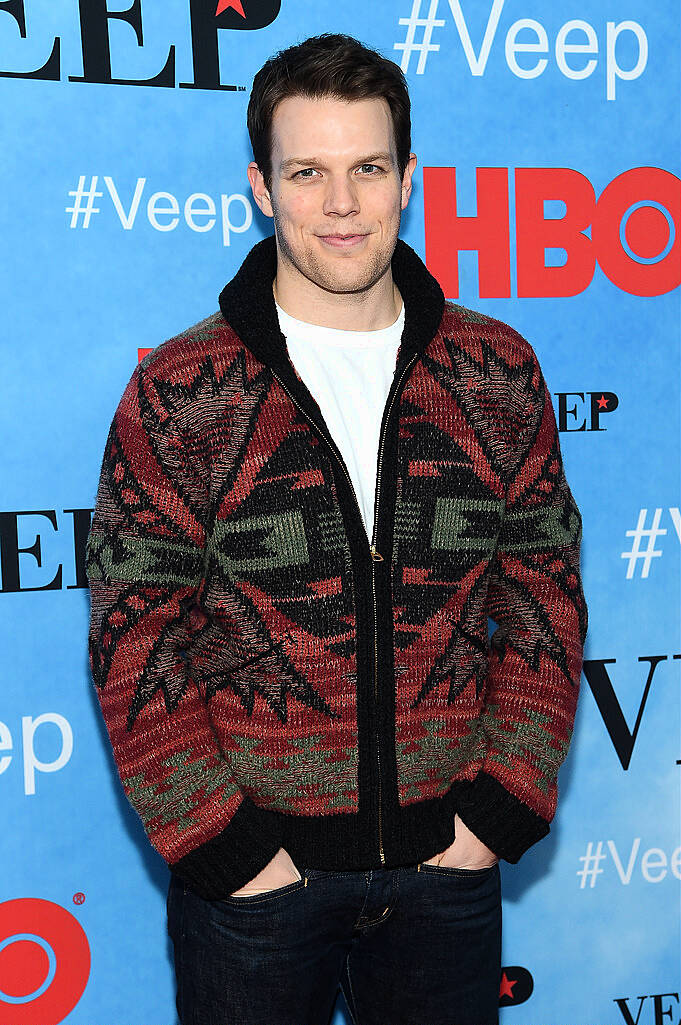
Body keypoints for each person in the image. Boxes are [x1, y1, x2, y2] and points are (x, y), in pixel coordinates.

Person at [85, 31, 588, 1025]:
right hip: (255, 891)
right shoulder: (181, 390)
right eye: (308, 172)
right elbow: (131, 628)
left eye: (367, 168)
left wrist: (501, 802)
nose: (343, 204)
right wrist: (225, 846)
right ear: (262, 188)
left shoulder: (498, 370)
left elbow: (544, 588)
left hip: (447, 871)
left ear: (409, 177)